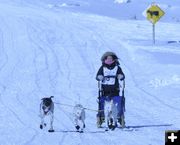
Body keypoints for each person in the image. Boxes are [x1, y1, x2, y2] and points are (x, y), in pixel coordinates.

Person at [96, 51, 125, 127]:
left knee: (117, 103)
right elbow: (98, 76)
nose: (109, 60)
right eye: (107, 59)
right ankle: (101, 116)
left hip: (115, 90)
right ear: (104, 60)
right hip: (104, 91)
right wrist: (100, 77)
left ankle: (119, 116)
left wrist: (120, 76)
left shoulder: (117, 68)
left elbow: (122, 76)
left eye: (111, 59)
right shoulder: (102, 68)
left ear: (114, 59)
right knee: (102, 103)